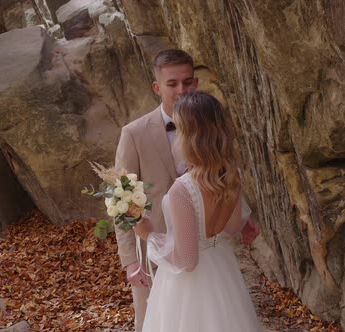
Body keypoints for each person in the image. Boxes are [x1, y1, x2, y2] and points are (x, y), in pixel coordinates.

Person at [114, 49, 259, 331]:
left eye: (188, 82)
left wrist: (148, 235)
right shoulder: (134, 134)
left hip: (183, 260)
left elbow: (192, 252)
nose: (182, 90)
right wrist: (131, 260)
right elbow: (123, 195)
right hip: (170, 263)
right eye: (172, 84)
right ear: (157, 87)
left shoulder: (202, 167)